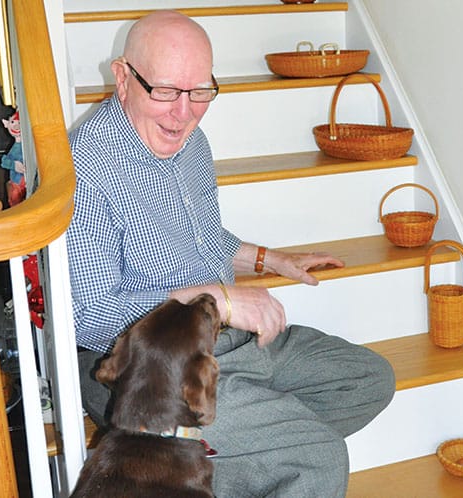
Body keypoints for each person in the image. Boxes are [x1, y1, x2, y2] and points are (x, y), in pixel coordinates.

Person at [65, 10, 395, 497]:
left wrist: (271, 259)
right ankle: (233, 454)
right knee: (317, 454)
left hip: (231, 344)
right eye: (167, 91)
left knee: (368, 380)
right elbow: (90, 317)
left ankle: (204, 467)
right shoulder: (83, 166)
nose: (185, 111)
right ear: (122, 77)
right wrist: (220, 299)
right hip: (148, 370)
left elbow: (203, 241)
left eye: (200, 91)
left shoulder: (191, 142)